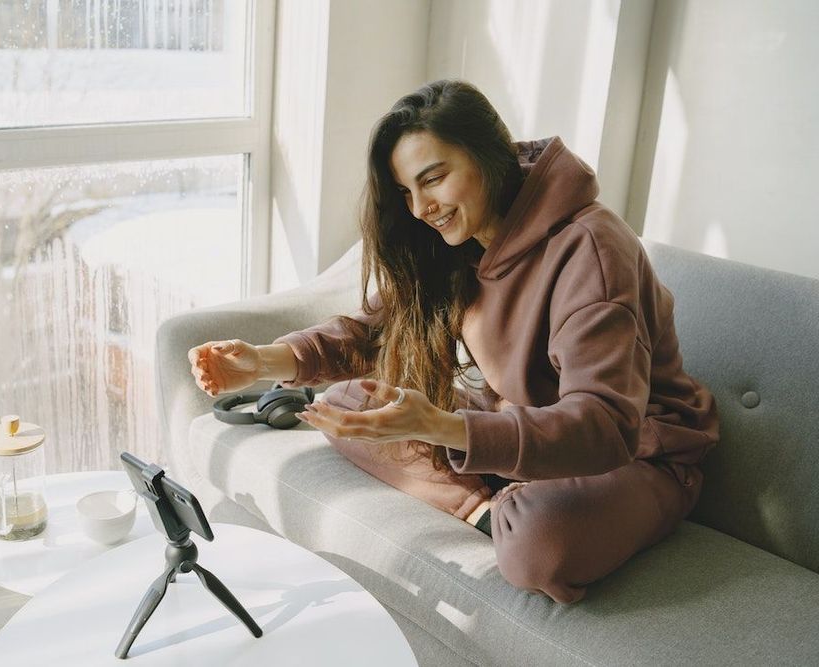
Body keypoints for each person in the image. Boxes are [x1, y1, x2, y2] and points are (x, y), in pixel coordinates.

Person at [187, 79, 719, 604]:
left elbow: (605, 425)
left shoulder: (591, 250)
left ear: (489, 156)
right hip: (518, 432)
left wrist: (441, 426)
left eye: (434, 178)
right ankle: (487, 509)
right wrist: (263, 360)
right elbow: (375, 330)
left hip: (636, 454)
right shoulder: (458, 241)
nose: (420, 208)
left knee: (537, 546)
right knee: (345, 406)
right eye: (406, 192)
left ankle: (514, 507)